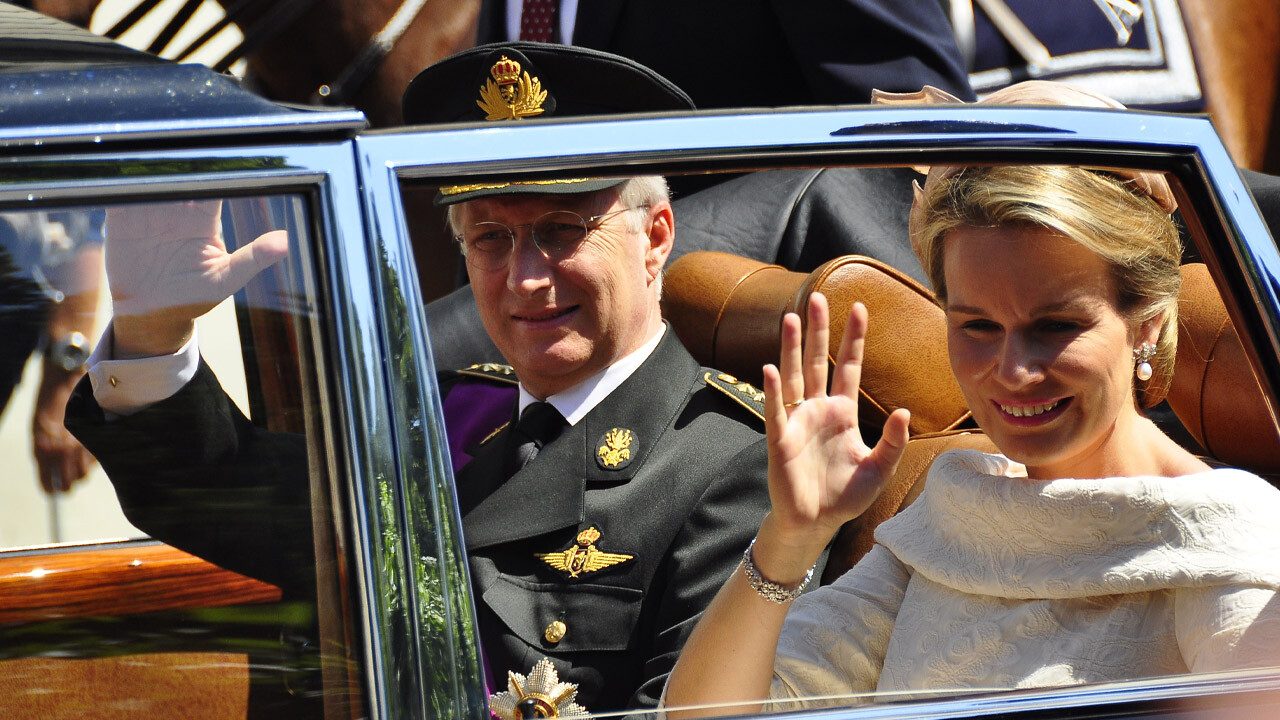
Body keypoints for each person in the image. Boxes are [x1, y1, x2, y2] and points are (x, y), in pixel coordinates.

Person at [65, 44, 774, 715]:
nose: (526, 279)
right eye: (490, 237)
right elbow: (223, 496)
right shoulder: (446, 411)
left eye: (561, 230)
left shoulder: (731, 467)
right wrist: (154, 333)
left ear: (653, 239)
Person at [661, 144, 1280, 714]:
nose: (1012, 372)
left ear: (1146, 322)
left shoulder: (1226, 541)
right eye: (977, 326)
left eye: (1056, 326)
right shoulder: (954, 516)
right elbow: (710, 715)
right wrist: (792, 536)